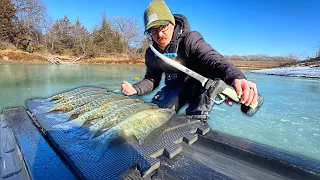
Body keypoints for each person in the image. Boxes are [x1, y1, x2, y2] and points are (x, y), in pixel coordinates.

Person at [121, 0, 258, 120]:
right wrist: (135, 88)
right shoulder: (152, 53)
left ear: (172, 23)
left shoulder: (191, 39)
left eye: (162, 26)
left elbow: (213, 59)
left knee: (194, 120)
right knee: (156, 115)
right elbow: (152, 79)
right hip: (174, 87)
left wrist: (236, 77)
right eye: (153, 30)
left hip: (200, 87)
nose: (159, 34)